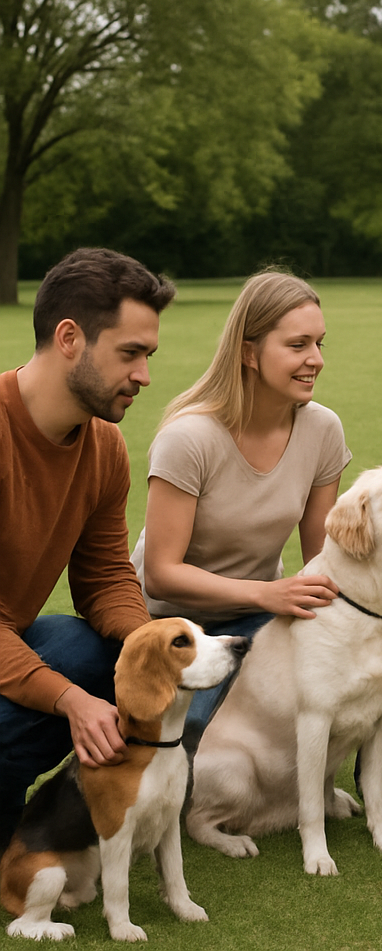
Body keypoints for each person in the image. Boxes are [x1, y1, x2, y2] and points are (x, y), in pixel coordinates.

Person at [0, 248, 176, 854]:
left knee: (99, 651)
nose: (145, 375)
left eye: (147, 355)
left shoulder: (104, 447)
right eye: (131, 353)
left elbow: (104, 578)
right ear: (69, 337)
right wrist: (70, 701)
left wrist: (152, 647)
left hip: (7, 648)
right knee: (76, 680)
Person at [131, 270, 350, 735]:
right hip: (168, 621)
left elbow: (320, 558)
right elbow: (161, 573)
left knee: (291, 720)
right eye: (298, 345)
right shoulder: (189, 438)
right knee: (191, 739)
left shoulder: (323, 430)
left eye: (319, 344)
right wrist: (267, 593)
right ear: (249, 353)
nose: (316, 360)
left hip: (253, 616)